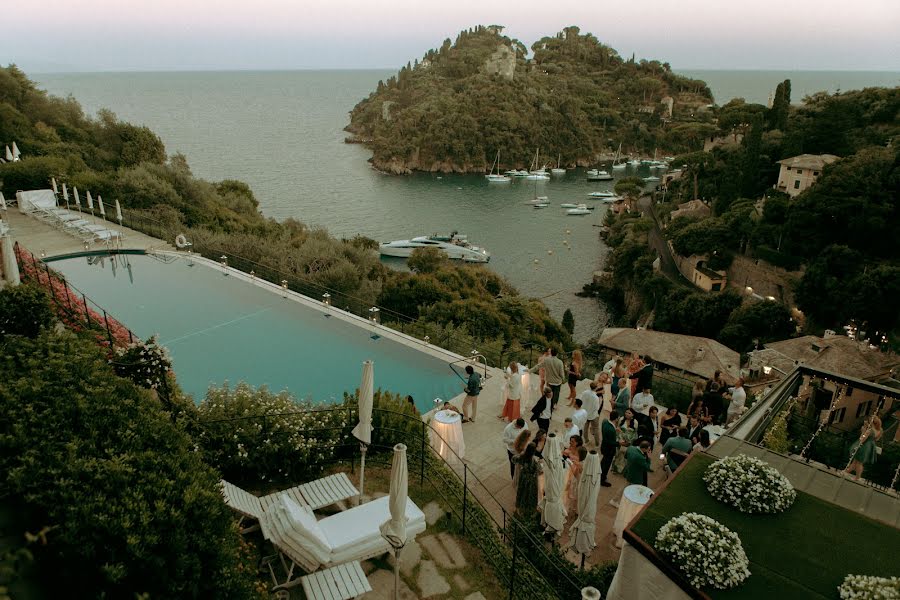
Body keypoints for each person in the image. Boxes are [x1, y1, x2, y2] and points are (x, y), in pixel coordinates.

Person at [844, 416, 882, 480]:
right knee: (855, 461)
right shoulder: (879, 430)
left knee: (859, 462)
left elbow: (863, 438)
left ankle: (857, 477)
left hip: (864, 445)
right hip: (870, 446)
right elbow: (876, 439)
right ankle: (846, 471)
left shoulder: (870, 430)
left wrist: (863, 430)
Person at [514, 442, 541, 518]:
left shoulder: (522, 456)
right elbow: (540, 470)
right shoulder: (534, 460)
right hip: (531, 479)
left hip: (523, 478)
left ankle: (520, 509)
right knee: (531, 494)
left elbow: (514, 459)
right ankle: (531, 511)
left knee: (522, 492)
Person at [613, 408, 639, 473]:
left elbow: (634, 434)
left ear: (633, 415)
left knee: (624, 456)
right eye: (626, 412)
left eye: (629, 413)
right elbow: (618, 428)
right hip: (620, 440)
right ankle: (615, 468)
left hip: (629, 441)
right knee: (617, 454)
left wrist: (628, 440)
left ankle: (622, 469)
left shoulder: (635, 422)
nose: (627, 414)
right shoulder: (621, 419)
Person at [599, 410, 619, 487]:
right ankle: (602, 479)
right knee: (606, 465)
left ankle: (600, 474)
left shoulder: (605, 422)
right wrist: (619, 443)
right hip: (609, 450)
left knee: (603, 461)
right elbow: (610, 442)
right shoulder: (611, 429)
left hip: (604, 447)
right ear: (616, 419)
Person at [566, 446, 588, 513]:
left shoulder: (580, 465)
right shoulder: (585, 462)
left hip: (579, 482)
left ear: (579, 454)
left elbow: (575, 475)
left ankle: (576, 510)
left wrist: (571, 465)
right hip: (583, 483)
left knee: (576, 497)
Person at [580, 382, 601, 448]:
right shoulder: (596, 398)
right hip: (593, 415)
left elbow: (581, 401)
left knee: (585, 428)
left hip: (585, 414)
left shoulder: (584, 392)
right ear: (596, 388)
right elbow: (597, 408)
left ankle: (586, 441)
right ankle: (597, 444)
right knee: (596, 429)